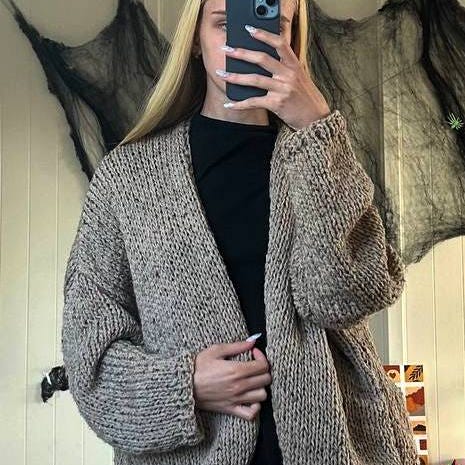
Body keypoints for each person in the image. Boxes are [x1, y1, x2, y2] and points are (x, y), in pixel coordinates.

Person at [61, 1, 419, 464]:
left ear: (292, 40)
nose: (244, 42)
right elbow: (89, 353)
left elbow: (348, 298)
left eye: (270, 23)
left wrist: (315, 128)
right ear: (195, 39)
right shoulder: (126, 179)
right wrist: (184, 385)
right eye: (225, 24)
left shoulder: (323, 154)